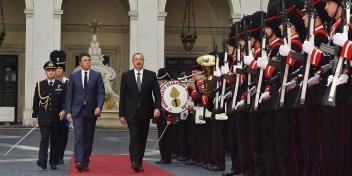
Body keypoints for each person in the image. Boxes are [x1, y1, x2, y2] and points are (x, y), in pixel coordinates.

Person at [119, 52, 161, 173]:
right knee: (134, 136)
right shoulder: (126, 75)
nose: (138, 61)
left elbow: (157, 94)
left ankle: (139, 162)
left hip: (146, 112)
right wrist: (121, 114)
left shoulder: (151, 75)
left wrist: (157, 108)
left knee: (142, 138)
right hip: (131, 113)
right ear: (133, 61)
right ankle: (134, 161)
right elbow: (123, 96)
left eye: (141, 59)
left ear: (143, 61)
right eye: (136, 59)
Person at [65, 53, 105, 172]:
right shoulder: (74, 76)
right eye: (85, 60)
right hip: (77, 111)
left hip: (91, 111)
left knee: (88, 137)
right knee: (79, 136)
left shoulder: (97, 75)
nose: (87, 62)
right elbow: (69, 95)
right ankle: (78, 161)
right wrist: (68, 111)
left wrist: (99, 107)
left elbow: (101, 93)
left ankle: (85, 162)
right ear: (80, 63)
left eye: (89, 60)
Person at [32, 60, 66, 170]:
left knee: (55, 140)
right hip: (44, 117)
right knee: (44, 138)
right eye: (48, 71)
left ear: (56, 71)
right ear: (45, 72)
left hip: (57, 117)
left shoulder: (61, 85)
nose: (51, 72)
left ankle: (53, 161)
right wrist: (34, 116)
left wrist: (64, 110)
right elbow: (35, 101)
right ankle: (42, 160)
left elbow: (65, 100)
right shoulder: (39, 85)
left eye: (53, 70)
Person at [50, 50, 70, 165]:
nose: (58, 70)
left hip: (65, 113)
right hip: (52, 113)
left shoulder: (68, 82)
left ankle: (60, 155)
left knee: (63, 135)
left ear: (63, 70)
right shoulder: (50, 82)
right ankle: (54, 156)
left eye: (60, 68)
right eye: (56, 68)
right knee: (53, 136)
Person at [153, 68, 173, 164]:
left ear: (164, 80)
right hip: (161, 116)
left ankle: (166, 157)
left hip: (165, 116)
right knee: (162, 137)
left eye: (159, 80)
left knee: (165, 138)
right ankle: (164, 156)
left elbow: (171, 104)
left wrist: (169, 115)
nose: (158, 81)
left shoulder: (169, 89)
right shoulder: (161, 88)